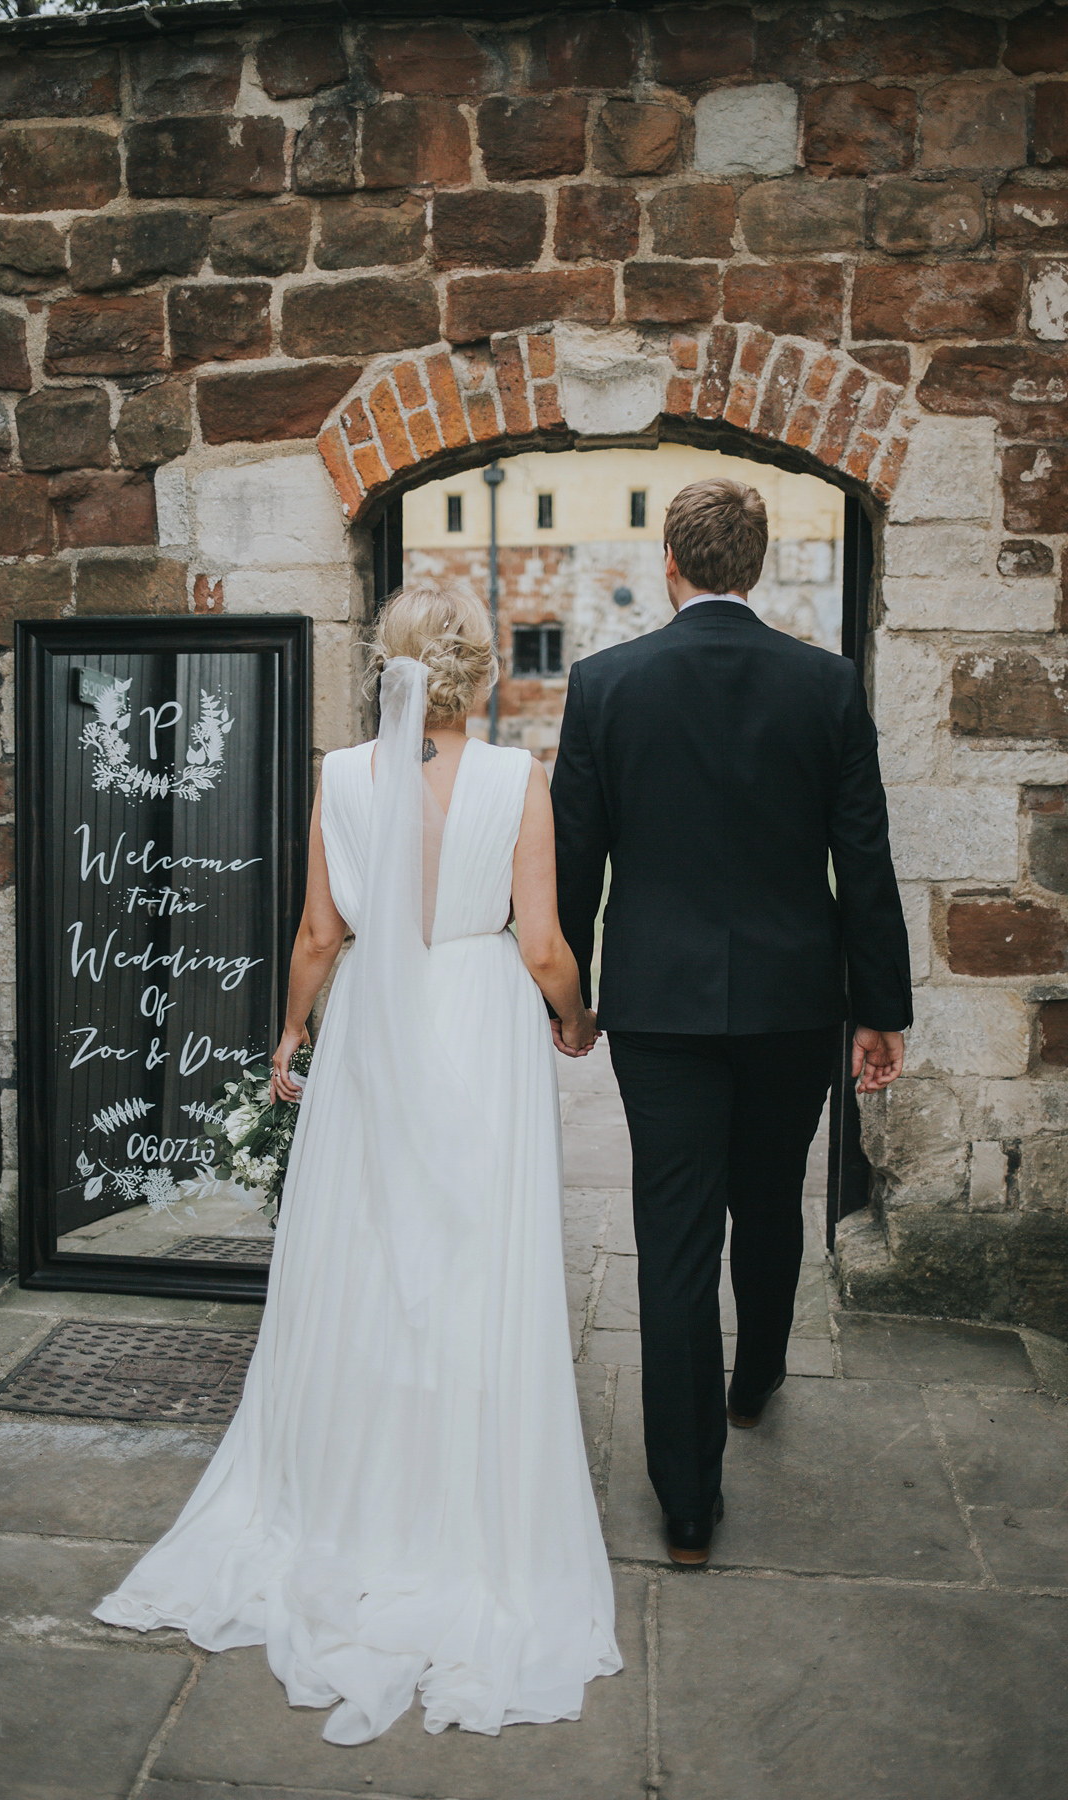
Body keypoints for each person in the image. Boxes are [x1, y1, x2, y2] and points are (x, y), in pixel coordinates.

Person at [95, 581, 621, 1742]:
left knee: (368, 1254)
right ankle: (460, 1500)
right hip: (480, 1025)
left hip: (379, 1031)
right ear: (479, 673)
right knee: (474, 1257)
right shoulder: (515, 780)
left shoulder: (341, 777)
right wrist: (575, 1020)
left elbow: (320, 936)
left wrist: (292, 1033)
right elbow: (540, 945)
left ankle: (354, 1493)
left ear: (385, 670)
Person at [551, 477, 911, 1569]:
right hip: (794, 1004)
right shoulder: (826, 686)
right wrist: (881, 1008)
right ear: (754, 567)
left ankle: (689, 1502)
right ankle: (755, 1380)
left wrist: (564, 998)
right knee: (770, 1198)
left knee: (673, 1235)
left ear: (671, 563)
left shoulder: (606, 685)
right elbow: (865, 858)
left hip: (657, 1007)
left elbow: (575, 860)